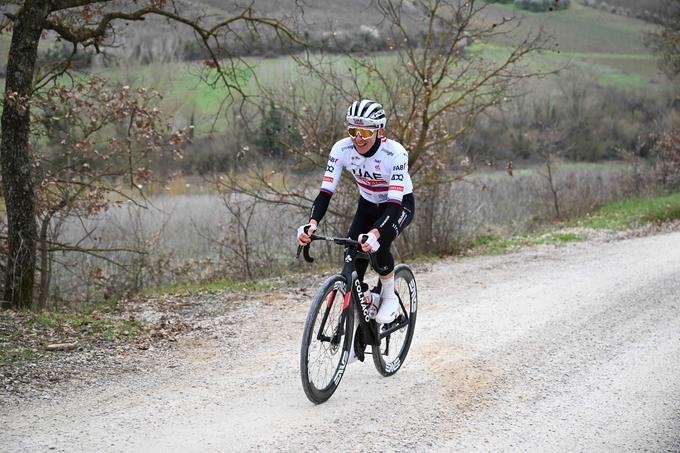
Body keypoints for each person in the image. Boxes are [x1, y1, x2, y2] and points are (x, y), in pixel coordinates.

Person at [296, 99, 415, 324]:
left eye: (364, 131)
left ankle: (388, 296)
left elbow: (394, 202)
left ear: (379, 131)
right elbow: (325, 192)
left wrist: (375, 234)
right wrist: (311, 224)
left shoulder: (395, 153)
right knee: (352, 256)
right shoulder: (342, 149)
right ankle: (354, 330)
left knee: (378, 247)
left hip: (398, 205)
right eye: (353, 130)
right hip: (368, 204)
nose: (358, 137)